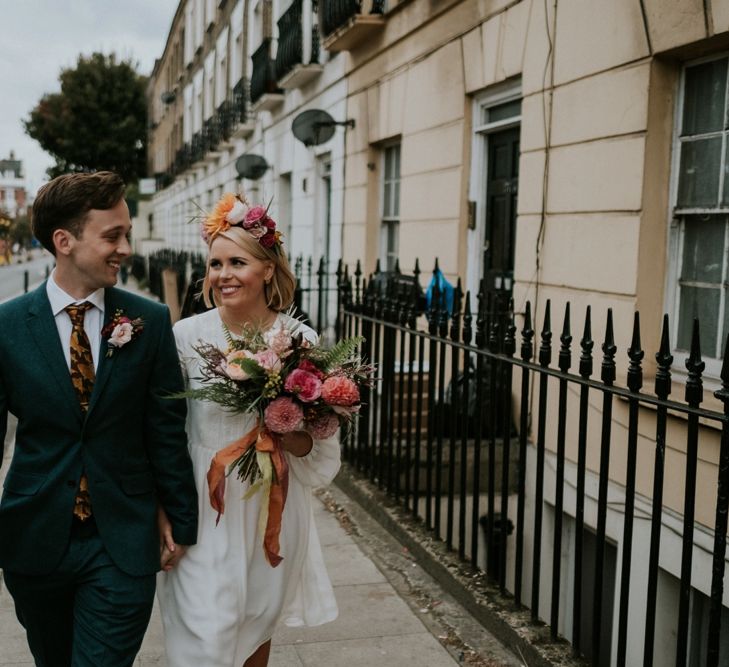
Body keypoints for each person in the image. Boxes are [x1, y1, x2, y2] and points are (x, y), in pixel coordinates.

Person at [0, 171, 198, 667]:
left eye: (126, 233)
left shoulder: (148, 321)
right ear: (64, 242)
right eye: (113, 235)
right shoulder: (6, 326)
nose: (126, 248)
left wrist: (180, 519)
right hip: (36, 536)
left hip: (122, 541)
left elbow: (165, 428)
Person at [158, 195, 340, 667]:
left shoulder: (301, 340)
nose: (223, 275)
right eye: (215, 264)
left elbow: (312, 447)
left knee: (256, 623)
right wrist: (161, 508)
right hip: (202, 499)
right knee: (203, 631)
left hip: (269, 501)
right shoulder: (185, 337)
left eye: (237, 262)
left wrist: (283, 416)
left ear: (266, 270)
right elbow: (162, 430)